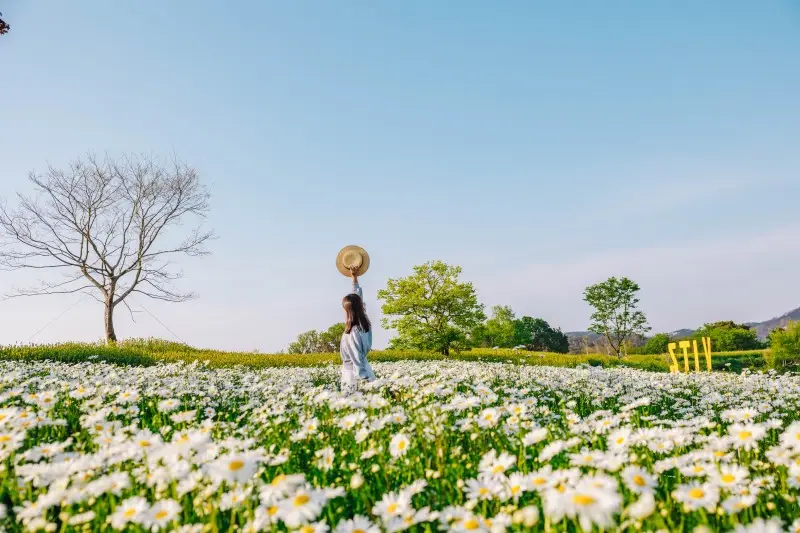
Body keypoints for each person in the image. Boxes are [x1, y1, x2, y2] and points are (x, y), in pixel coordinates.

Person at [340, 266, 376, 392]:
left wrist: (365, 380)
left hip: (354, 376)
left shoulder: (352, 332)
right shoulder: (364, 322)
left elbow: (357, 358)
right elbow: (357, 297)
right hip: (365, 370)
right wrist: (354, 278)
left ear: (348, 311)